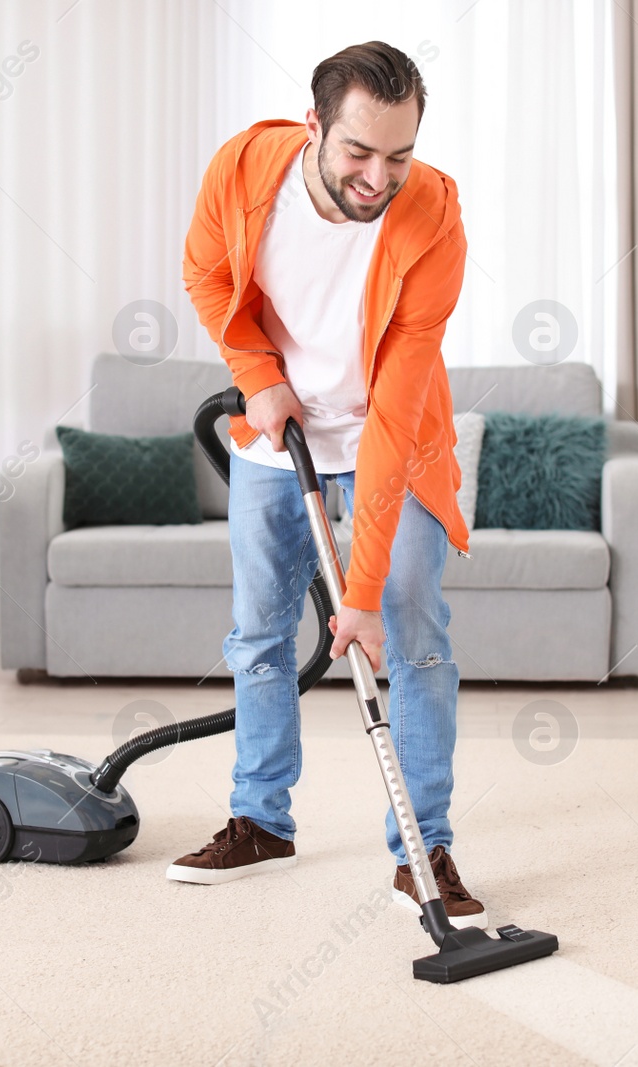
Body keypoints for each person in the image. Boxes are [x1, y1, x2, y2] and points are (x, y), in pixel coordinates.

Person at [174, 41, 483, 928]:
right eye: (358, 151)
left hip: (398, 439)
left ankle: (423, 848)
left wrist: (363, 593)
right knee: (259, 635)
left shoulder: (432, 217)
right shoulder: (244, 170)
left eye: (400, 154)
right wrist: (254, 369)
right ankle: (260, 820)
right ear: (314, 126)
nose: (378, 175)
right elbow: (206, 273)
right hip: (277, 438)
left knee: (414, 636)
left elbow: (393, 416)